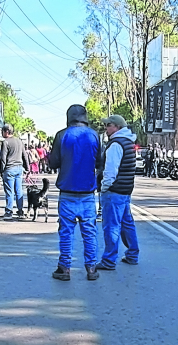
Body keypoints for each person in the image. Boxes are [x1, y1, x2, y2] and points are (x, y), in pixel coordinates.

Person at [47, 104, 102, 281]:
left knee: (66, 233)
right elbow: (99, 162)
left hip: (67, 193)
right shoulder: (94, 135)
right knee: (89, 232)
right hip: (87, 194)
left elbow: (53, 163)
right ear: (85, 117)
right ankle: (91, 268)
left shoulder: (62, 135)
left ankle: (64, 269)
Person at [97, 115, 140, 269]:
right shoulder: (128, 142)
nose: (105, 128)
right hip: (125, 189)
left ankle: (109, 260)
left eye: (108, 125)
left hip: (114, 191)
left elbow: (110, 171)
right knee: (127, 223)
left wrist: (104, 188)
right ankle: (132, 254)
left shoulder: (115, 144)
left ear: (117, 127)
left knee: (111, 226)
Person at [0, 124, 25, 219]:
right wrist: (28, 168)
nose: (2, 133)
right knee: (19, 190)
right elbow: (24, 155)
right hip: (19, 168)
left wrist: (1, 170)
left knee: (9, 191)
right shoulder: (19, 141)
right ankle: (20, 211)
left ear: (7, 132)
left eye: (2, 131)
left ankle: (9, 211)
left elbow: (3, 158)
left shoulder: (5, 142)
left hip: (9, 168)